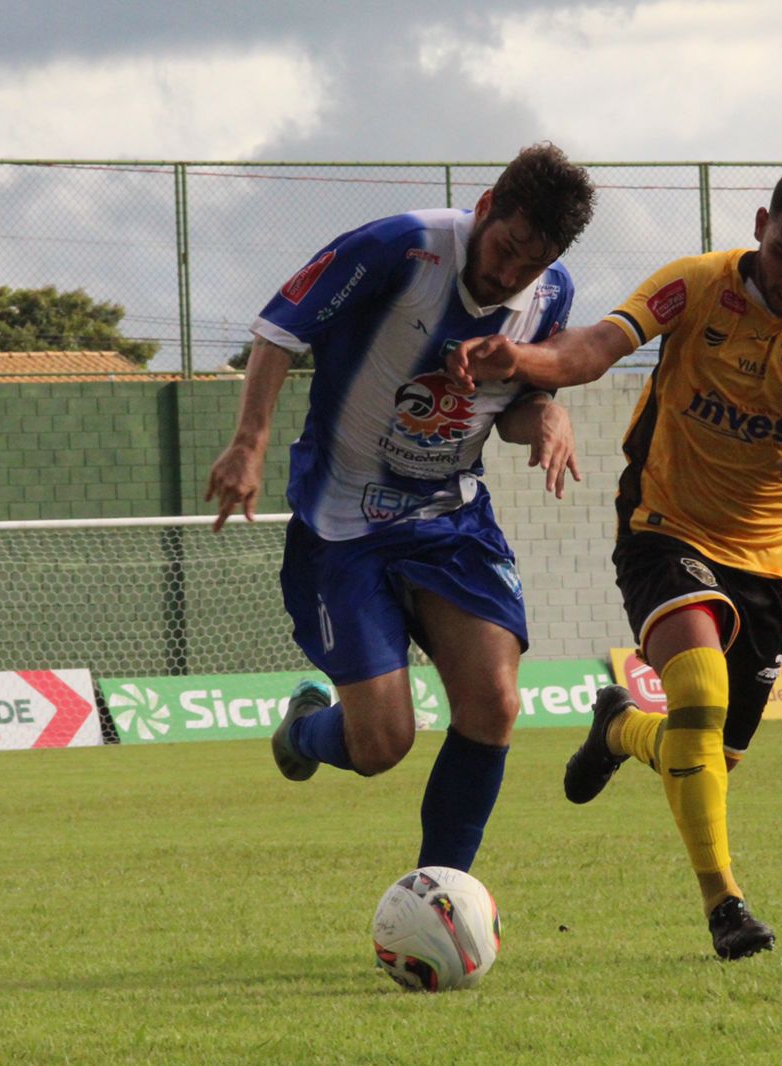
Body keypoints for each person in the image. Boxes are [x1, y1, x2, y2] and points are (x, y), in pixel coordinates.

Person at [447, 160, 782, 958]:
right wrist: (524, 363)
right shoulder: (695, 284)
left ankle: (621, 728)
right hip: (666, 523)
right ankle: (725, 906)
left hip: (767, 559)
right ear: (761, 224)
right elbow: (592, 348)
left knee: (706, 757)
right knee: (697, 687)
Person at [205, 143, 597, 874]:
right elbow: (278, 331)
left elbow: (512, 407)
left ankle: (443, 894)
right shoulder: (400, 247)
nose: (509, 273)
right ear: (485, 208)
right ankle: (302, 734)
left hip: (448, 518)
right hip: (344, 522)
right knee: (383, 744)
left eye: (530, 262)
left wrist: (545, 417)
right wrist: (249, 443)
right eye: (507, 247)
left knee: (494, 706)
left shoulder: (551, 297)